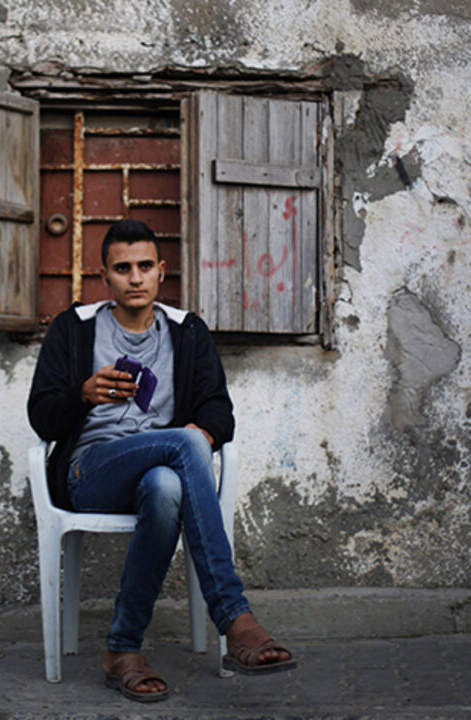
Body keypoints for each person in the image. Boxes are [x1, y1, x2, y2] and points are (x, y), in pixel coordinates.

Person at [27, 219, 296, 702]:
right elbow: (42, 418)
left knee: (168, 485)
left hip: (159, 471)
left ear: (161, 271)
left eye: (145, 266)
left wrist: (199, 438)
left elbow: (218, 409)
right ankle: (234, 616)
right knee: (186, 445)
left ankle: (122, 648)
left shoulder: (186, 332)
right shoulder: (75, 329)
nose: (135, 278)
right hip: (90, 472)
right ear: (105, 276)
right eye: (122, 268)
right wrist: (82, 394)